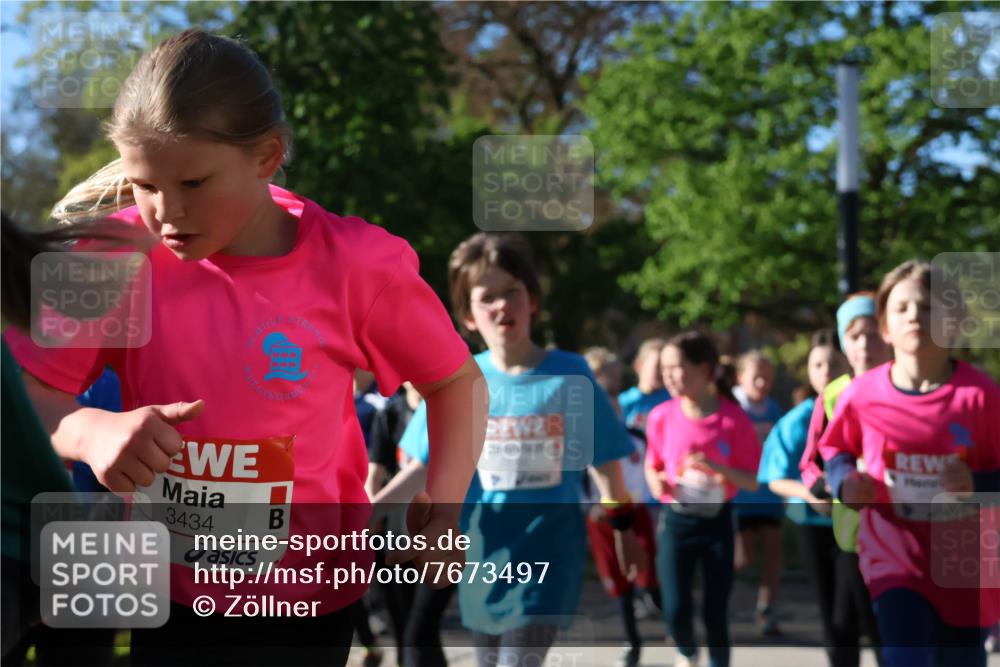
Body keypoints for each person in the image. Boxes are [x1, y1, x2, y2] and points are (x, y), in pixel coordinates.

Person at [3, 29, 485, 667]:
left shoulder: (358, 266)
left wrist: (442, 504)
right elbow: (30, 393)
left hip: (304, 601)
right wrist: (90, 429)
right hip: (164, 591)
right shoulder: (112, 257)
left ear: (266, 155)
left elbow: (457, 382)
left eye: (194, 183)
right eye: (145, 185)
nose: (166, 211)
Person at [374, 232, 644, 667]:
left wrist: (623, 530)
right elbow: (425, 465)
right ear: (467, 315)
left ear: (532, 300)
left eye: (512, 293)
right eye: (487, 297)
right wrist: (368, 508)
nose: (502, 306)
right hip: (480, 557)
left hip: (547, 559)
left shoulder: (569, 376)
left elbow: (607, 466)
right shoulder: (457, 381)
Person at [819, 260, 1000, 667]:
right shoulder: (863, 394)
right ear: (884, 327)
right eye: (901, 308)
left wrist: (978, 481)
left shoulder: (980, 396)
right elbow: (835, 450)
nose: (915, 316)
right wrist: (845, 480)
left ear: (954, 323)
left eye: (928, 307)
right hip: (893, 554)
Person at [645, 331, 762, 667]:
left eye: (676, 367)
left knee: (715, 612)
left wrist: (716, 468)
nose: (667, 375)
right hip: (676, 523)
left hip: (717, 524)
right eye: (663, 368)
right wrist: (659, 483)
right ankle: (687, 653)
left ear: (704, 368)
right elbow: (653, 467)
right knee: (675, 609)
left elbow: (753, 481)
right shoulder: (661, 416)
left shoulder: (732, 419)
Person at [758, 330, 871, 667]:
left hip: (857, 525)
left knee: (859, 611)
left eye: (832, 363)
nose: (825, 371)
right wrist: (810, 492)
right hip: (815, 523)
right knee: (833, 618)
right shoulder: (796, 420)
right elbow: (774, 477)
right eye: (817, 364)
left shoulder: (862, 401)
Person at [799, 293, 892, 664]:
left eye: (873, 334)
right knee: (842, 634)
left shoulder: (911, 387)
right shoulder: (834, 394)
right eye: (854, 336)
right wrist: (827, 483)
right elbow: (810, 462)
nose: (865, 345)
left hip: (905, 535)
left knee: (892, 639)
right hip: (851, 534)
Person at [583, 346, 661, 667]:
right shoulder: (579, 432)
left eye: (614, 391)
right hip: (600, 518)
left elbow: (640, 471)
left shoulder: (634, 438)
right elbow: (578, 478)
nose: (610, 401)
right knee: (617, 582)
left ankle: (668, 615)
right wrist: (590, 506)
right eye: (604, 391)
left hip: (634, 511)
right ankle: (632, 641)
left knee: (648, 572)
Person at [731, 351, 787, 636]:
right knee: (744, 557)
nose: (762, 382)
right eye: (756, 376)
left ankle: (766, 608)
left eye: (767, 376)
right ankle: (720, 600)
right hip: (740, 496)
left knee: (774, 552)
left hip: (769, 494)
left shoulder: (774, 409)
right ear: (741, 377)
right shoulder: (732, 407)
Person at [618, 338, 671, 430]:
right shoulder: (624, 402)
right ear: (639, 365)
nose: (664, 372)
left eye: (667, 367)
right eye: (659, 366)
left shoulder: (673, 400)